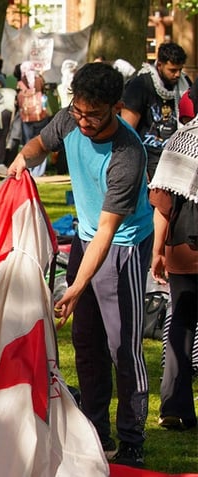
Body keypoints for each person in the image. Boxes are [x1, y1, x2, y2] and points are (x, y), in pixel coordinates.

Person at [8, 62, 154, 468]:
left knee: (122, 347)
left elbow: (108, 230)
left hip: (121, 247)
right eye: (79, 111)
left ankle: (132, 439)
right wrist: (23, 159)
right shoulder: (69, 120)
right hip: (87, 240)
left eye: (94, 114)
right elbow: (41, 143)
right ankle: (95, 431)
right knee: (87, 344)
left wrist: (77, 285)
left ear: (116, 107)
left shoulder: (128, 154)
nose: (84, 121)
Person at [148, 122, 198, 432]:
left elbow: (162, 207)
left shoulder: (180, 140)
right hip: (185, 248)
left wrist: (157, 251)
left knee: (181, 323)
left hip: (182, 246)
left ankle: (175, 408)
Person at [121, 42, 189, 180]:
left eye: (180, 70)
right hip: (149, 159)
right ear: (159, 65)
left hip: (177, 159)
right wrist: (138, 166)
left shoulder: (185, 83)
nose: (177, 75)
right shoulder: (140, 84)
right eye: (172, 70)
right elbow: (126, 130)